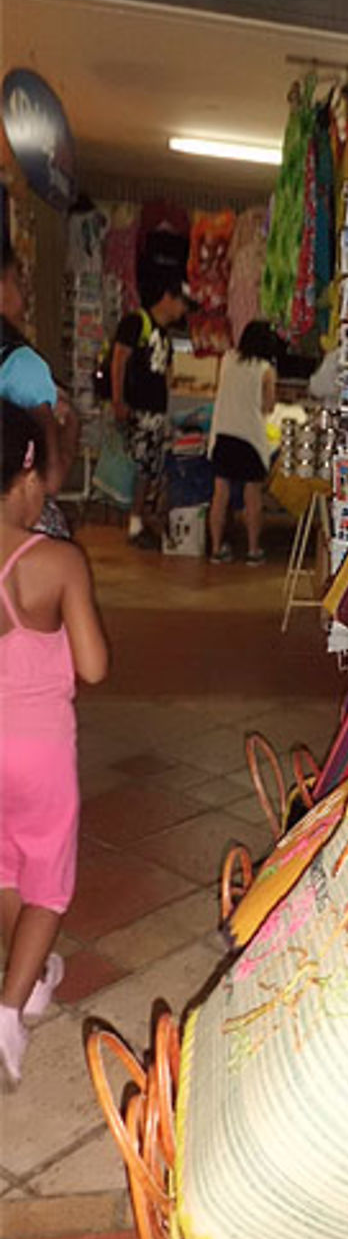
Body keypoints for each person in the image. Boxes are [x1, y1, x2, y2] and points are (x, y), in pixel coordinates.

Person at [0, 400, 108, 1085]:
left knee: (5, 865)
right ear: (29, 468)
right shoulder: (57, 559)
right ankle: (8, 1010)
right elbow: (93, 665)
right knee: (48, 881)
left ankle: (31, 974)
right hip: (37, 748)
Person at [0, 241, 79, 539]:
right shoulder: (24, 366)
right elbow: (51, 479)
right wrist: (71, 424)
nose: (25, 295)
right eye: (17, 281)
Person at [110, 275, 187, 549]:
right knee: (140, 467)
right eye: (181, 303)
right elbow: (119, 359)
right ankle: (134, 521)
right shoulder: (136, 323)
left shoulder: (164, 335)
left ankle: (140, 519)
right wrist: (118, 399)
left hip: (156, 411)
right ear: (168, 297)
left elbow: (165, 372)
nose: (183, 311)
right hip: (138, 409)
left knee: (151, 468)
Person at [207, 319, 278, 565]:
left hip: (223, 434)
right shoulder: (265, 370)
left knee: (220, 494)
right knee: (252, 497)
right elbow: (268, 407)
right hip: (250, 438)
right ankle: (253, 549)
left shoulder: (227, 359)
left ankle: (216, 548)